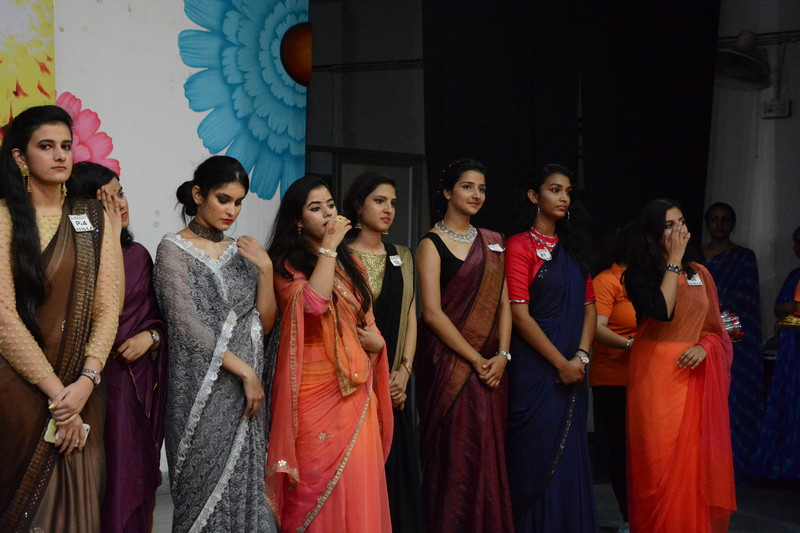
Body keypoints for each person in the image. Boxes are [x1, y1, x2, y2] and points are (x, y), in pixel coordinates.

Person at [0, 105, 121, 532]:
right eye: (46, 146)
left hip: (83, 389)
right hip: (21, 391)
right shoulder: (4, 218)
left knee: (79, 509)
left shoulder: (92, 216)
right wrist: (60, 399)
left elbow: (108, 307)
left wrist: (85, 382)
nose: (60, 156)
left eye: (66, 146)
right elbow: (3, 317)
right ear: (20, 157)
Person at [153, 156, 277, 532]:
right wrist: (246, 373)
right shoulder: (173, 248)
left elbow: (263, 323)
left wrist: (266, 269)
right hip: (201, 393)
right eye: (223, 199)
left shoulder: (242, 252)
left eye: (238, 202)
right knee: (199, 499)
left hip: (245, 396)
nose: (231, 211)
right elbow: (188, 327)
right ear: (198, 194)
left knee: (244, 492)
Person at [266, 176, 393, 532]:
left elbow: (366, 318)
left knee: (357, 490)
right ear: (297, 219)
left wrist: (379, 343)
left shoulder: (351, 263)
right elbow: (314, 304)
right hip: (311, 397)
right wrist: (330, 248)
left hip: (354, 393)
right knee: (315, 492)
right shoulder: (285, 264)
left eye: (330, 205)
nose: (327, 213)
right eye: (315, 208)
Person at [68, 161, 168, 533]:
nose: (120, 205)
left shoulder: (138, 254)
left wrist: (150, 337)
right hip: (84, 383)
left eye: (120, 194)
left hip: (130, 387)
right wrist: (108, 235)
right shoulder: (72, 256)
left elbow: (159, 320)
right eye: (106, 199)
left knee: (128, 477)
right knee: (88, 482)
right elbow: (104, 304)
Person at [625, 199, 736, 532]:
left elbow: (715, 330)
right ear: (650, 236)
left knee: (695, 464)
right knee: (658, 465)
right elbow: (663, 311)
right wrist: (673, 262)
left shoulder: (701, 273)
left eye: (682, 222)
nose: (680, 230)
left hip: (695, 376)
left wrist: (706, 346)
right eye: (669, 225)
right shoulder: (639, 273)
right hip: (656, 377)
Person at [415, 159, 514, 533]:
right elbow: (432, 313)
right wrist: (476, 359)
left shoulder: (494, 242)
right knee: (455, 456)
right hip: (449, 365)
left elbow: (505, 303)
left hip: (493, 367)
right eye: (468, 187)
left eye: (482, 189)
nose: (476, 195)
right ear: (447, 192)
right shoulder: (431, 244)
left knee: (489, 451)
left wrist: (502, 355)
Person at [504, 164, 598, 532]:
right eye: (555, 190)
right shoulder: (519, 245)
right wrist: (562, 363)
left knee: (571, 453)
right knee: (533, 456)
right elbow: (519, 314)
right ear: (534, 196)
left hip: (574, 367)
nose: (563, 198)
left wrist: (582, 356)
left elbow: (590, 308)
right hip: (537, 371)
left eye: (568, 192)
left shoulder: (574, 247)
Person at [342, 172, 424, 533]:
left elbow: (410, 316)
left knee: (398, 466)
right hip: (355, 376)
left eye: (393, 202)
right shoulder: (340, 255)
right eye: (379, 201)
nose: (388, 209)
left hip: (394, 383)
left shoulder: (402, 256)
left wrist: (403, 371)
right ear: (358, 205)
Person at [702, 201, 763, 482]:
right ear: (707, 223)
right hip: (698, 334)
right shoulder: (696, 256)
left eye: (724, 219)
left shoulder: (743, 257)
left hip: (733, 337)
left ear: (733, 224)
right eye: (714, 219)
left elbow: (748, 299)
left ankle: (734, 464)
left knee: (734, 398)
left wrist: (719, 307)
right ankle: (703, 465)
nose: (719, 224)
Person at [590, 226, 636, 532]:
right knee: (622, 449)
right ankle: (629, 518)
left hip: (648, 378)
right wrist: (633, 346)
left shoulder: (650, 279)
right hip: (613, 378)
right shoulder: (607, 280)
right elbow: (596, 328)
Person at [755, 225, 800, 479]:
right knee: (789, 402)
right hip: (791, 349)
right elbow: (778, 308)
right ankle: (785, 466)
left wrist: (792, 308)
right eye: (797, 242)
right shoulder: (794, 275)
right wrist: (790, 308)